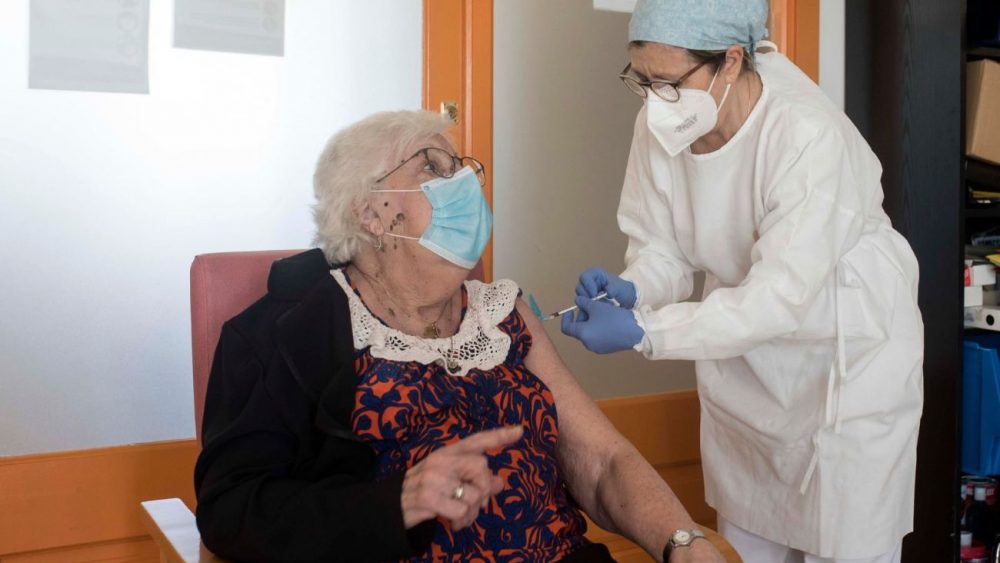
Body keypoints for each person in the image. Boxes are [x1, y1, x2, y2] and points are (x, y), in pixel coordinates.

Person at [194, 110, 728, 562]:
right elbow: (232, 509)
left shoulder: (500, 313)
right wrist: (397, 503)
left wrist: (683, 543)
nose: (466, 181)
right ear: (371, 212)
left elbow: (604, 462)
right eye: (434, 166)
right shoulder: (285, 330)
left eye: (462, 166)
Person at [560, 1, 924, 562]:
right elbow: (665, 248)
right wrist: (637, 287)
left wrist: (645, 331)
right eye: (642, 81)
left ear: (732, 60)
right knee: (748, 543)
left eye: (668, 81)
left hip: (845, 372)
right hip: (746, 376)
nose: (655, 100)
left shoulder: (805, 133)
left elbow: (775, 300)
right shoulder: (666, 118)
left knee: (846, 546)